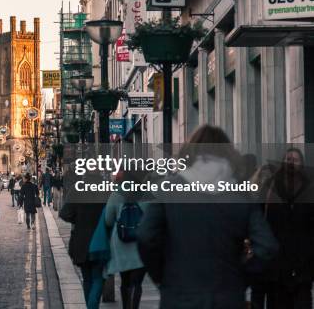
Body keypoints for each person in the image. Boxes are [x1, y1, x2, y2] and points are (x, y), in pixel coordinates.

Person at [137, 125, 279, 309]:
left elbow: (146, 236)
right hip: (227, 297)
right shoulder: (240, 195)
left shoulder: (169, 190)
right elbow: (267, 246)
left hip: (179, 296)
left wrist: (163, 276)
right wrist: (240, 278)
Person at [251, 147, 314, 309]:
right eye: (288, 158)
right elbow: (258, 217)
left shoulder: (309, 187)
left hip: (302, 263)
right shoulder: (270, 186)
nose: (291, 162)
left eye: (295, 159)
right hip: (276, 264)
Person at [104, 170, 150, 309]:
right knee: (138, 283)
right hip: (142, 245)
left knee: (125, 281)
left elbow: (108, 219)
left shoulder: (117, 193)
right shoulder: (147, 194)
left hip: (122, 243)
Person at [60, 200, 106, 307]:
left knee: (87, 279)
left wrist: (78, 218)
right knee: (98, 277)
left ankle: (90, 306)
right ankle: (92, 306)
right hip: (100, 239)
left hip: (81, 241)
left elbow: (64, 213)